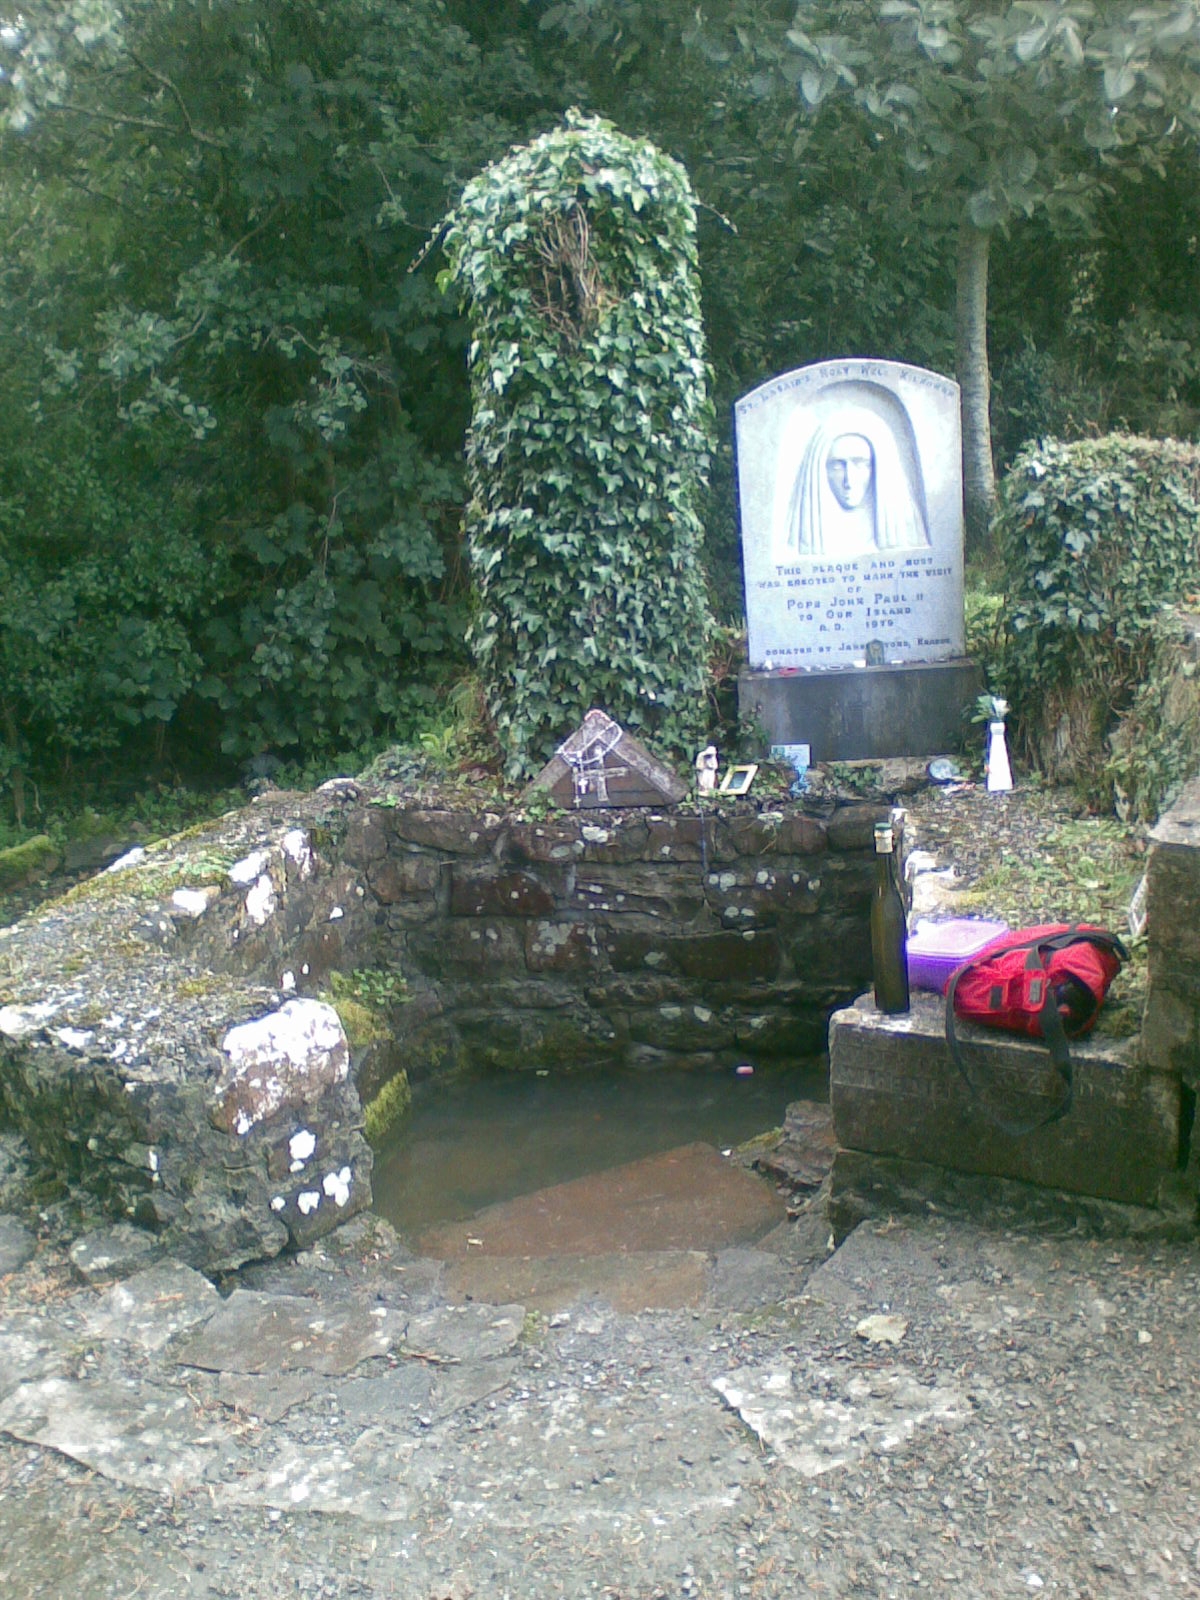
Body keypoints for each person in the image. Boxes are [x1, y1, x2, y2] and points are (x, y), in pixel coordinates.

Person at [781, 410, 930, 557]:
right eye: (837, 466)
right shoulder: (798, 539)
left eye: (860, 464)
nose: (848, 481)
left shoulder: (905, 533)